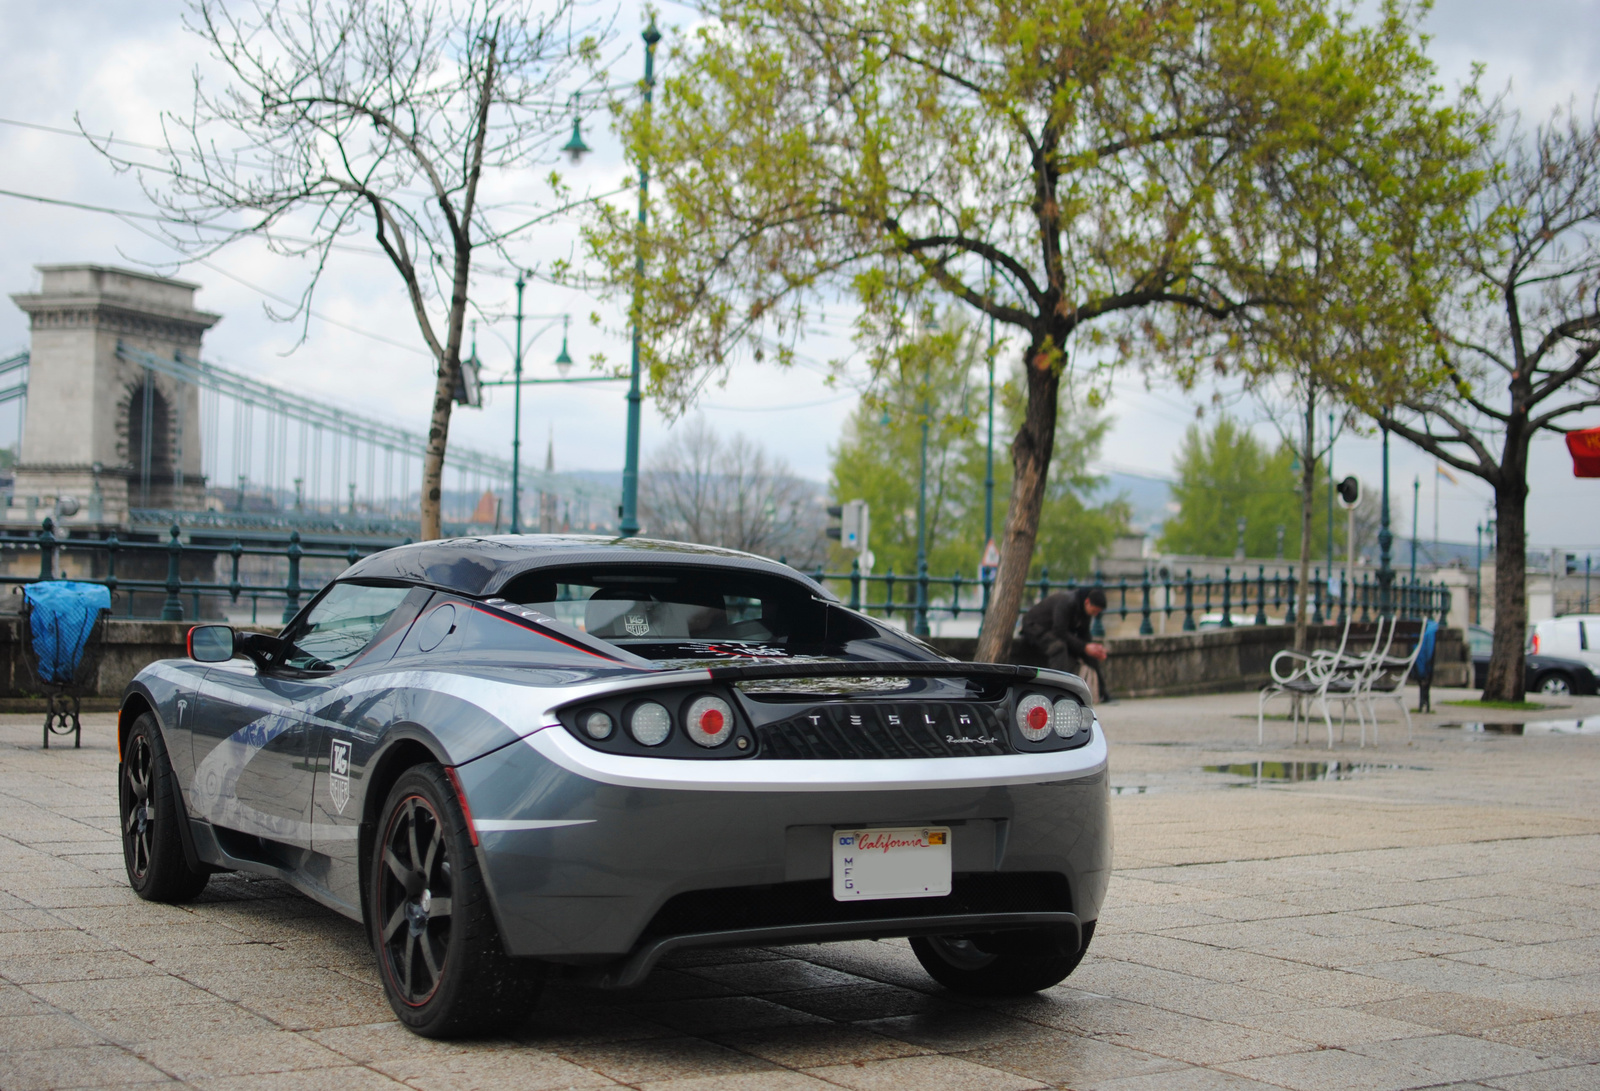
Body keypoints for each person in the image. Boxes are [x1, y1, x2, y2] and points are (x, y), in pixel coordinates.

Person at [1019, 586, 1112, 702]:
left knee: (1089, 653)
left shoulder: (1084, 610)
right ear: (1087, 602)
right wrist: (1084, 647)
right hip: (1034, 627)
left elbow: (1084, 635)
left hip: (1053, 631)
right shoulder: (1066, 602)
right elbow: (1059, 631)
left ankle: (1103, 693)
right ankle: (1057, 692)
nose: (1095, 615)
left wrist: (1092, 648)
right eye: (1094, 611)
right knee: (1058, 648)